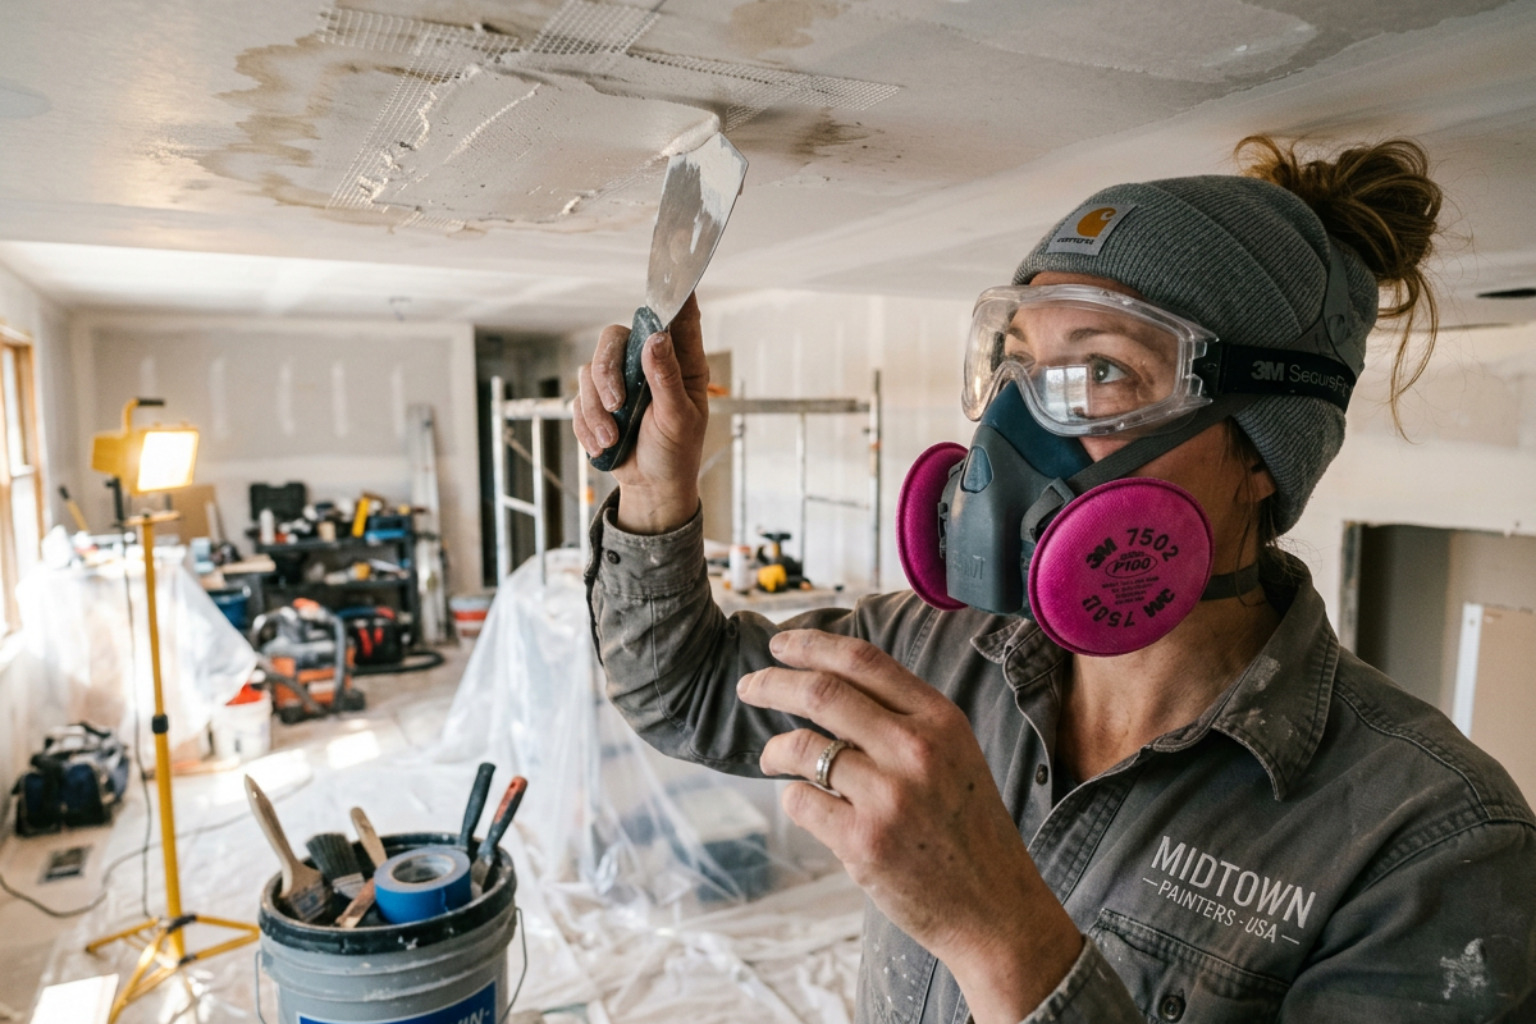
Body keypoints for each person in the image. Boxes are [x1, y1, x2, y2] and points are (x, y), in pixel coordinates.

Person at [573, 136, 1536, 1023]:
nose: (1014, 432)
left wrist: (999, 937)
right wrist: (656, 487)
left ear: (1262, 451)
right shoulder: (927, 650)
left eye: (1102, 374)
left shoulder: (1431, 846)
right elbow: (682, 688)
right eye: (1020, 367)